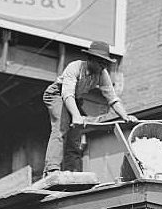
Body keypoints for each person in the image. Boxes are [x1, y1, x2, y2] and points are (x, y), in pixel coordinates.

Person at [43, 40, 138, 175]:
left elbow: (112, 98)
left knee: (75, 133)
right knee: (61, 127)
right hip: (57, 94)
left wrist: (125, 116)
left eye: (105, 64)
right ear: (90, 59)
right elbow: (67, 94)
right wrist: (76, 116)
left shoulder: (102, 74)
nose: (103, 67)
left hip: (75, 99)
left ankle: (72, 171)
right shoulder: (75, 67)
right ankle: (51, 169)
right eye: (100, 63)